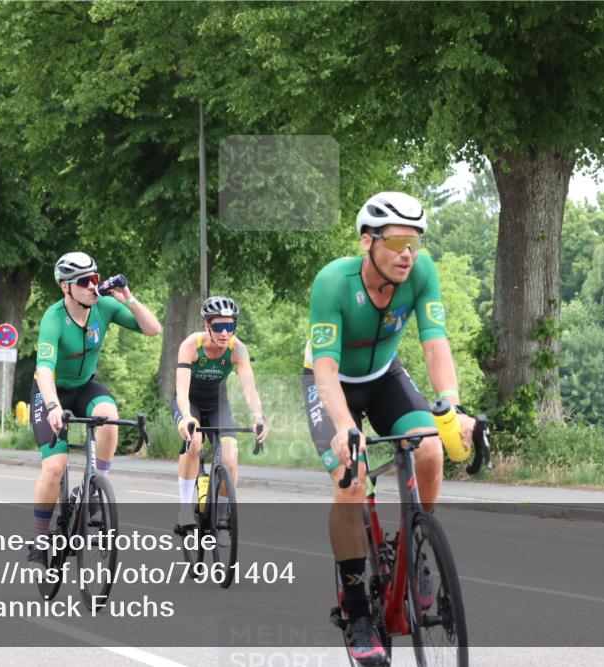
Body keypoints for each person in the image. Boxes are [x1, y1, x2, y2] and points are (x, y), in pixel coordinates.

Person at [302, 192, 475, 666]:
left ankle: (414, 547)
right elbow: (324, 369)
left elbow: (435, 345)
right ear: (367, 241)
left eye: (415, 242)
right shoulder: (332, 283)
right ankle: (357, 611)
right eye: (397, 240)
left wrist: (452, 406)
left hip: (384, 378)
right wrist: (344, 428)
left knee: (431, 451)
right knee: (351, 482)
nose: (407, 253)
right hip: (332, 384)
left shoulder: (421, 273)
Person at [27, 252, 161, 566]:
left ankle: (94, 486)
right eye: (84, 282)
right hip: (52, 391)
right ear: (65, 288)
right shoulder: (54, 318)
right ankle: (38, 536)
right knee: (54, 467)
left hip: (86, 386)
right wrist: (52, 406)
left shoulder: (104, 306)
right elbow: (44, 369)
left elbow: (153, 329)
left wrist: (129, 299)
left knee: (110, 419)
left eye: (96, 279)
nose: (92, 286)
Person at [172, 296, 268, 533]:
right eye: (218, 327)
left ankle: (222, 516)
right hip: (189, 403)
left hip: (217, 405)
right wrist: (186, 416)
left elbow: (249, 388)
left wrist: (258, 416)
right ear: (207, 325)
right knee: (194, 443)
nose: (225, 333)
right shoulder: (190, 346)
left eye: (230, 326)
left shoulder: (238, 349)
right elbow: (181, 390)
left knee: (230, 458)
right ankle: (185, 509)